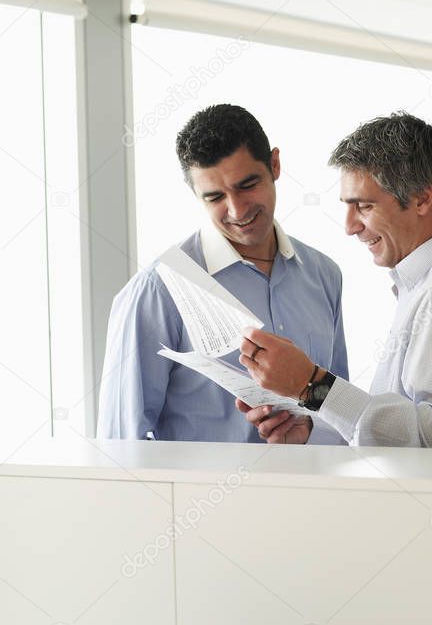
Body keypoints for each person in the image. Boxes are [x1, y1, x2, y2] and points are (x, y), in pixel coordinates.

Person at [236, 112, 432, 450]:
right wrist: (311, 428)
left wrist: (312, 384)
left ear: (421, 199)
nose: (350, 226)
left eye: (364, 206)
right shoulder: (431, 288)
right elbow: (407, 437)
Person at [97, 104, 348, 442]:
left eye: (247, 185)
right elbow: (122, 443)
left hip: (315, 491)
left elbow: (342, 413)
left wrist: (309, 429)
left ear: (275, 165)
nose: (237, 209)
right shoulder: (158, 289)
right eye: (215, 196)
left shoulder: (324, 275)